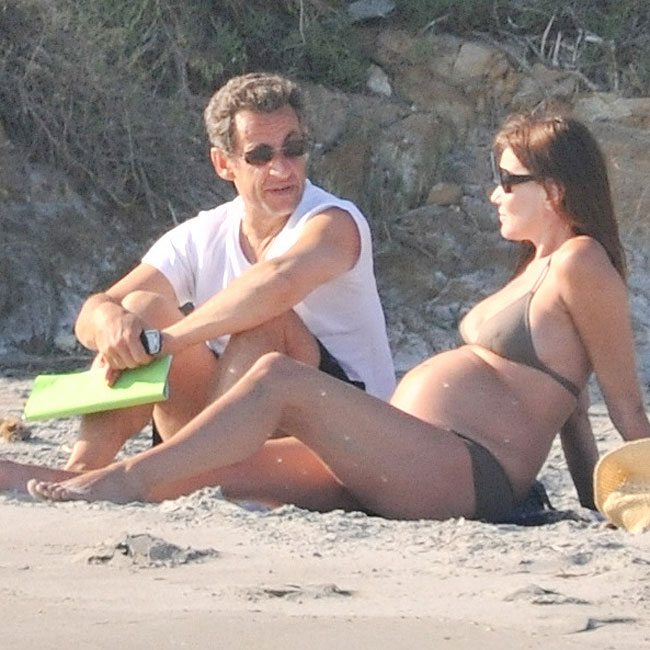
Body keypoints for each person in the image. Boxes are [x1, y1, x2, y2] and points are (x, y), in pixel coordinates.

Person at [18, 114, 650, 521]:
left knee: (278, 378)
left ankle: (122, 480)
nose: (494, 193)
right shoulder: (539, 267)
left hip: (462, 472)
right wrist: (588, 502)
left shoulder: (582, 261)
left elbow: (622, 404)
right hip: (406, 454)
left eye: (508, 181)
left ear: (554, 190)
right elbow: (571, 407)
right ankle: (60, 477)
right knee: (213, 475)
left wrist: (631, 500)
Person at [60, 72, 395, 472]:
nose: (282, 169)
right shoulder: (204, 233)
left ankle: (192, 466)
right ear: (224, 164)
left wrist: (165, 342)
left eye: (293, 149)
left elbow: (277, 282)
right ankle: (80, 470)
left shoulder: (334, 222)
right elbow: (93, 313)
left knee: (268, 323)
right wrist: (113, 327)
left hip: (349, 437)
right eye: (260, 156)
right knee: (140, 309)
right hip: (240, 423)